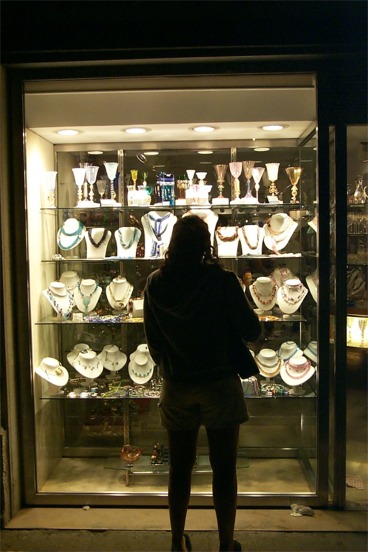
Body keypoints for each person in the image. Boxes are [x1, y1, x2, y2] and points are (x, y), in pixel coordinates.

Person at [144, 215, 261, 552]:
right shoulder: (222, 281)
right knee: (224, 468)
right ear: (206, 245)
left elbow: (153, 342)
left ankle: (176, 540)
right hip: (219, 383)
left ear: (173, 243)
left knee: (179, 468)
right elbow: (250, 329)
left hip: (177, 384)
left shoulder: (155, 283)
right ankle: (226, 544)